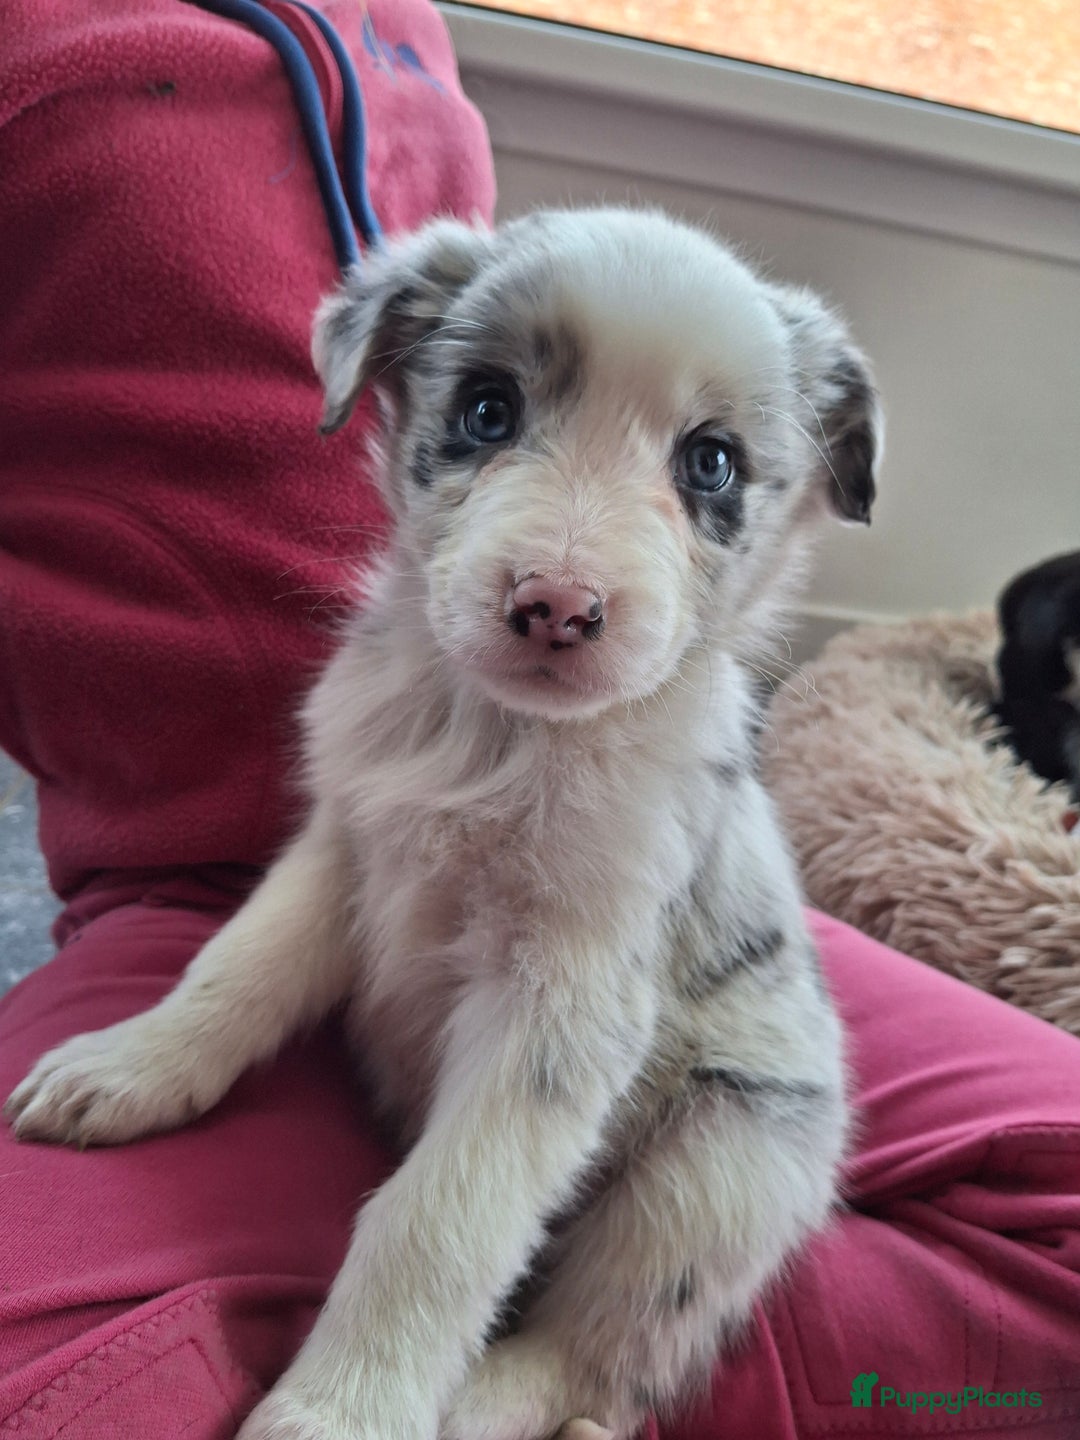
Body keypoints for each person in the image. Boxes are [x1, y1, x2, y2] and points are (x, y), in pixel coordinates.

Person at [1, 2, 1078, 1436]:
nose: (565, 584)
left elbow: (558, 1033)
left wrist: (383, 1361)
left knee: (762, 1146)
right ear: (381, 385)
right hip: (309, 998)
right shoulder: (378, 674)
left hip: (695, 1090)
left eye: (706, 465)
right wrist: (185, 1039)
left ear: (800, 484)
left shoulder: (658, 762)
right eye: (495, 415)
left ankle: (577, 1372)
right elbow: (339, 868)